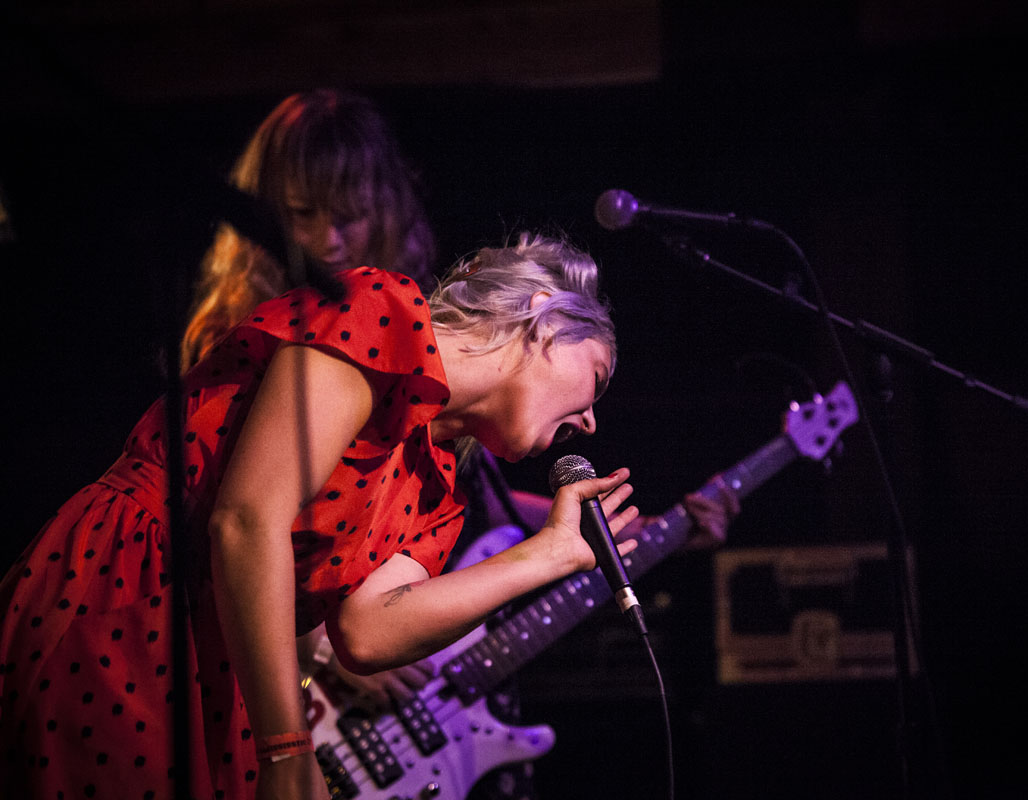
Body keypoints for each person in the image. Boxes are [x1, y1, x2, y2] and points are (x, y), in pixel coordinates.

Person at [0, 231, 634, 800]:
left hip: (231, 665)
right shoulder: (381, 311)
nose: (590, 421)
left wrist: (548, 555)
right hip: (134, 592)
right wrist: (286, 747)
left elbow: (366, 636)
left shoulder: (437, 492)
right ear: (542, 321)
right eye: (597, 379)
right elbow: (246, 520)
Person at [182, 88, 437, 370]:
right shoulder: (224, 339)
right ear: (260, 211)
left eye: (349, 215)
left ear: (385, 211)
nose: (330, 241)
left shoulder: (421, 323)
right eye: (303, 212)